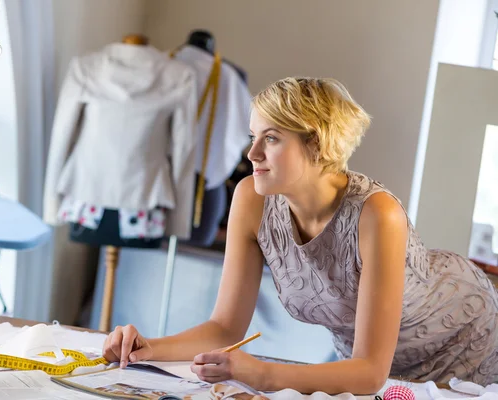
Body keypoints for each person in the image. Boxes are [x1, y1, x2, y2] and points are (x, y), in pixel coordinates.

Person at [101, 77, 498, 395]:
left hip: (461, 335)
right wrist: (149, 349)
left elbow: (369, 373)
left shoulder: (377, 213)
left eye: (271, 138)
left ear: (317, 144)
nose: (252, 153)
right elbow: (224, 329)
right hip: (365, 365)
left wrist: (262, 374)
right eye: (253, 136)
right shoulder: (251, 200)